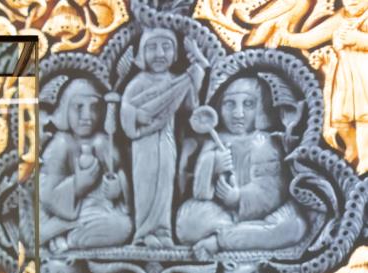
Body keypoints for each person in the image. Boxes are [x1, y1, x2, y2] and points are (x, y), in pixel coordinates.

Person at [175, 78, 306, 257]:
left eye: (248, 104)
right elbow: (200, 194)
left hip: (264, 214)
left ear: (260, 109)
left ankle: (219, 241)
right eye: (230, 104)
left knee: (294, 227)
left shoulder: (263, 143)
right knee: (187, 225)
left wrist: (238, 197)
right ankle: (241, 234)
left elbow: (271, 192)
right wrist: (212, 164)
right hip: (224, 216)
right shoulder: (215, 141)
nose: (238, 113)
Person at [120, 28, 207, 247]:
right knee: (146, 185)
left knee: (165, 185)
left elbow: (190, 105)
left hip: (167, 141)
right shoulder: (138, 82)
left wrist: (197, 69)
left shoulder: (176, 80)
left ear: (175, 54)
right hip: (144, 143)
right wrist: (136, 115)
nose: (159, 53)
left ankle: (163, 230)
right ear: (142, 53)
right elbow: (126, 109)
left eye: (166, 47)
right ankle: (143, 233)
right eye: (152, 47)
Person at [272, 0, 368, 173]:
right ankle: (352, 147)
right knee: (339, 120)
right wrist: (286, 39)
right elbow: (311, 39)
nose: (351, 2)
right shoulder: (343, 16)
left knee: (364, 119)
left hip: (365, 75)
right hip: (345, 77)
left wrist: (358, 39)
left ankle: (365, 159)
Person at [40, 78, 132, 251]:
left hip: (100, 212)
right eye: (79, 107)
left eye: (94, 108)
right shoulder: (61, 143)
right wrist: (77, 186)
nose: (87, 116)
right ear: (65, 109)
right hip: (66, 215)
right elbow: (45, 193)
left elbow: (121, 174)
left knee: (123, 225)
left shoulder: (104, 142)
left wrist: (118, 187)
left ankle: (70, 241)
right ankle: (67, 239)